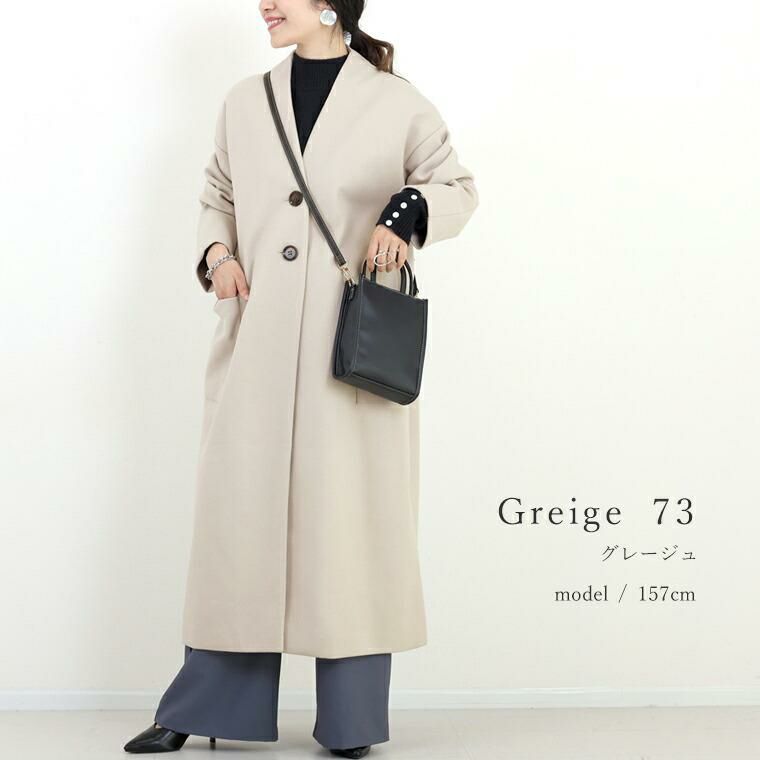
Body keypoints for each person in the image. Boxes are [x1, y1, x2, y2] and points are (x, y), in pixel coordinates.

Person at [124, 0, 478, 756]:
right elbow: (217, 196)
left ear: (328, 6)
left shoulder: (396, 102)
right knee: (238, 527)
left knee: (349, 533)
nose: (265, 4)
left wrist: (405, 212)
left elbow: (456, 187)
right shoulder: (244, 101)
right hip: (257, 343)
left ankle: (351, 721)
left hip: (348, 355)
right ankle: (205, 704)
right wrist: (217, 255)